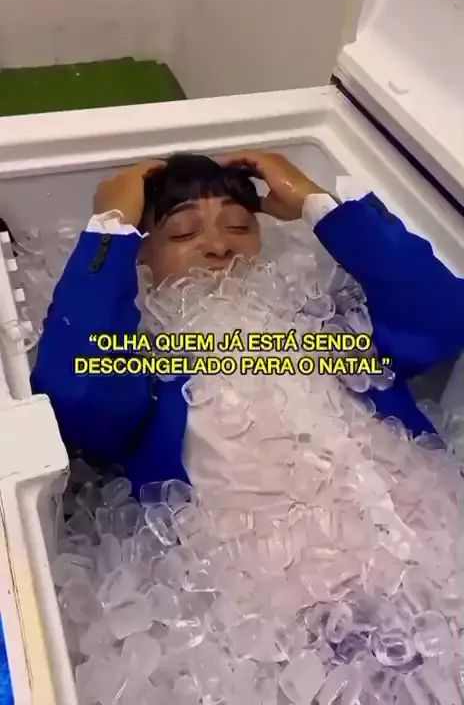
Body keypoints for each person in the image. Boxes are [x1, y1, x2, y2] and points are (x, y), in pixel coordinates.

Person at [31, 151, 464, 496]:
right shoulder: (147, 371)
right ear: (141, 258)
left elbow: (442, 317)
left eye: (238, 225)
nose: (219, 245)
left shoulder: (329, 324)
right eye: (183, 233)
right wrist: (111, 229)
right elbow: (77, 398)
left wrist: (314, 202)